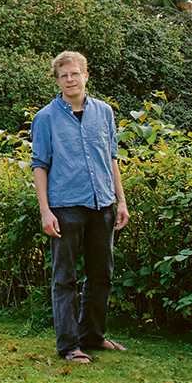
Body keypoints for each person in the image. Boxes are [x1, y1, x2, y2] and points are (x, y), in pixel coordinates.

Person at [31, 50, 130, 364]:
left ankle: (94, 336)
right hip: (65, 207)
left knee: (102, 275)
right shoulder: (45, 117)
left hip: (103, 204)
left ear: (86, 76)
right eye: (64, 76)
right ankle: (69, 345)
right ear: (57, 81)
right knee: (65, 278)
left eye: (75, 74)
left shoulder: (104, 113)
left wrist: (122, 200)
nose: (70, 80)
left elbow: (111, 159)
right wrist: (45, 210)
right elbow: (39, 166)